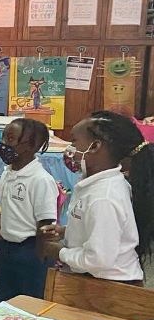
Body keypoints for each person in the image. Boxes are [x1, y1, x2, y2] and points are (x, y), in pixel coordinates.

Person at [41, 110, 154, 283]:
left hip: (110, 288)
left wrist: (59, 252)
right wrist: (67, 232)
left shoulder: (104, 196)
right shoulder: (94, 184)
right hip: (93, 279)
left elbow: (98, 260)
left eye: (74, 141)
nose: (69, 149)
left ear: (94, 147)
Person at [0, 118, 58, 300]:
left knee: (30, 304)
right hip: (6, 247)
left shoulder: (41, 180)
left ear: (30, 146)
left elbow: (45, 223)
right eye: (3, 137)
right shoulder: (7, 172)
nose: (3, 144)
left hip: (31, 250)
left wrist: (40, 258)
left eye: (10, 139)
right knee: (5, 303)